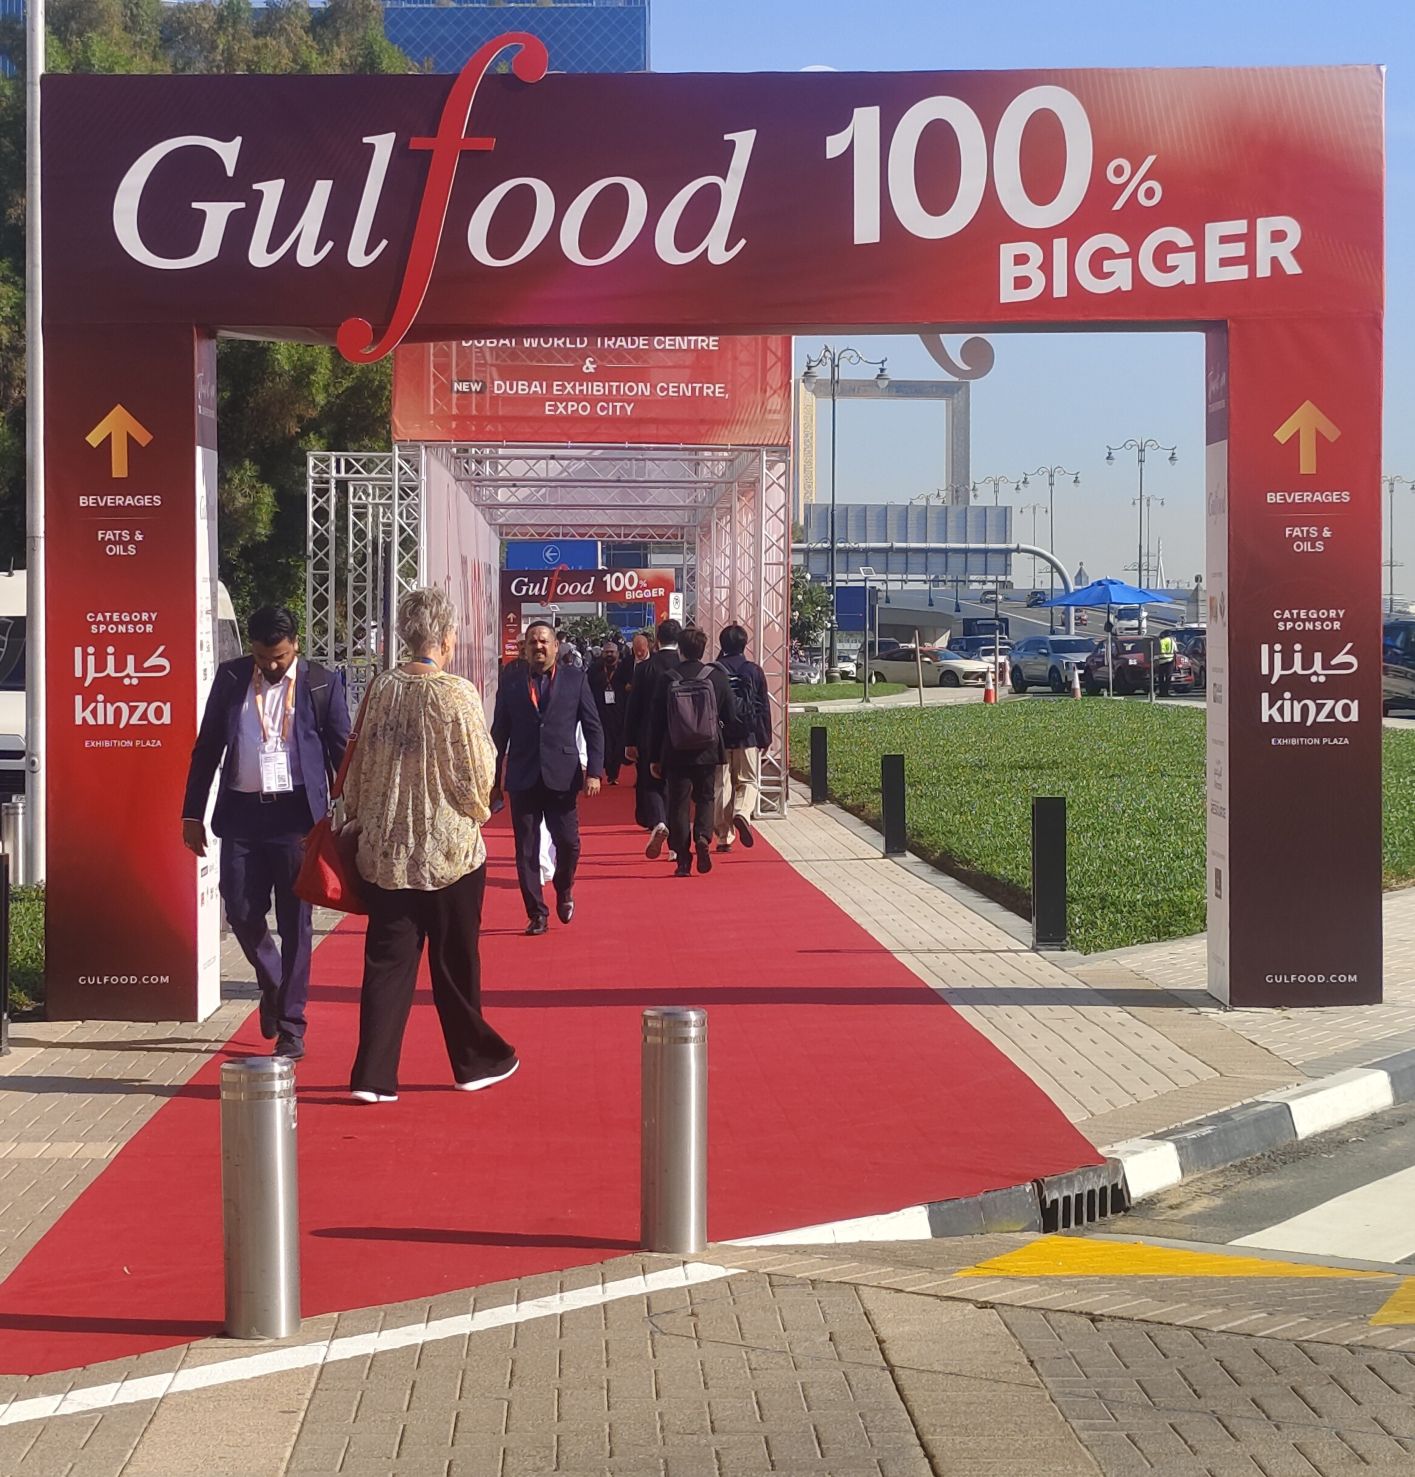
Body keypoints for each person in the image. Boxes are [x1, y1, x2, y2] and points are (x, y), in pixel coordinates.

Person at [340, 587, 516, 1105]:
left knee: (386, 964)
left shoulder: (381, 689)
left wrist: (364, 818)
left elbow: (360, 765)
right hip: (448, 850)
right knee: (454, 960)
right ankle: (473, 1062)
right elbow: (478, 770)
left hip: (388, 849)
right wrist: (478, 812)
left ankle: (372, 1075)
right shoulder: (457, 693)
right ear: (445, 637)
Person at [181, 606, 350, 1060]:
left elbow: (341, 754)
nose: (271, 665)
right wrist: (192, 813)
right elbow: (207, 747)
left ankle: (292, 1025)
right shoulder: (231, 678)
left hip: (297, 819)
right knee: (239, 909)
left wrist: (351, 814)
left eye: (279, 657)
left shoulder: (321, 683)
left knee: (296, 922)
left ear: (295, 644)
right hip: (242, 814)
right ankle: (273, 981)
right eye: (262, 657)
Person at [491, 620, 605, 934]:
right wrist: (493, 781)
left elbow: (593, 727)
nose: (538, 647)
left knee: (569, 843)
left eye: (544, 641)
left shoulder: (575, 679)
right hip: (523, 776)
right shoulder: (511, 682)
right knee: (526, 849)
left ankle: (564, 887)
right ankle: (536, 913)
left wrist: (595, 772)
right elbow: (499, 734)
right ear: (525, 648)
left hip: (562, 777)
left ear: (556, 646)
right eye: (533, 642)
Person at [649, 625, 738, 878]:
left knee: (678, 803)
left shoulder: (668, 678)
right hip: (708, 749)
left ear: (680, 649)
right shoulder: (716, 676)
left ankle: (682, 860)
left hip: (675, 749)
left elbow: (656, 721)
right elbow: (731, 715)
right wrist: (717, 727)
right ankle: (702, 837)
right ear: (703, 649)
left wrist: (654, 756)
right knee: (706, 797)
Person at [626, 618, 682, 858]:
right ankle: (676, 847)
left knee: (651, 783)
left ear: (657, 640)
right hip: (682, 735)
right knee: (678, 788)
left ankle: (659, 821)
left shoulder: (645, 668)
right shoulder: (685, 666)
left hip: (649, 735)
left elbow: (633, 707)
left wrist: (629, 741)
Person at [713, 623, 772, 852]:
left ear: (722, 644)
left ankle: (724, 837)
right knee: (748, 780)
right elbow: (763, 706)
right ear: (744, 644)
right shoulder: (753, 670)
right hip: (747, 736)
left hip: (720, 737)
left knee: (721, 784)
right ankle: (742, 813)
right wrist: (764, 737)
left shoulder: (713, 670)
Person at [588, 638, 627, 784]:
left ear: (618, 653)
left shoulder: (623, 669)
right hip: (600, 710)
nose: (609, 654)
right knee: (604, 742)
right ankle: (601, 769)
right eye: (607, 652)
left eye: (612, 652)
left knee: (617, 743)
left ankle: (613, 774)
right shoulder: (594, 669)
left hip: (619, 711)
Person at [1156, 630, 1177, 697]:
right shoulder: (1172, 641)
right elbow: (1175, 652)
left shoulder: (1160, 641)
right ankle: (1166, 692)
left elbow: (1156, 652)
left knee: (1161, 678)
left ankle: (1161, 692)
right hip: (1170, 661)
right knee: (1168, 678)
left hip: (1161, 661)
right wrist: (1175, 663)